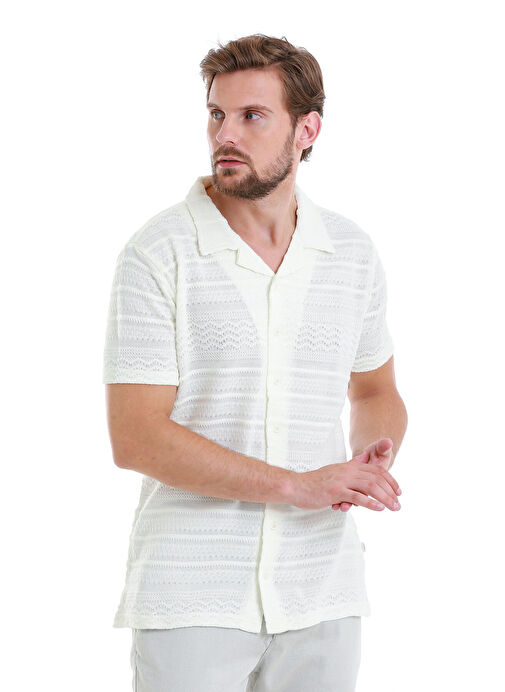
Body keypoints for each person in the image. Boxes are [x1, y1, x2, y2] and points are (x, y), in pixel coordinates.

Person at [103, 33, 408, 692]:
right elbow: (135, 436)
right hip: (193, 594)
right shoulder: (158, 253)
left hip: (322, 589)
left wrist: (374, 455)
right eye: (217, 114)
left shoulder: (351, 253)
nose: (225, 135)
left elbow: (374, 388)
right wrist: (298, 486)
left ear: (307, 130)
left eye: (251, 116)